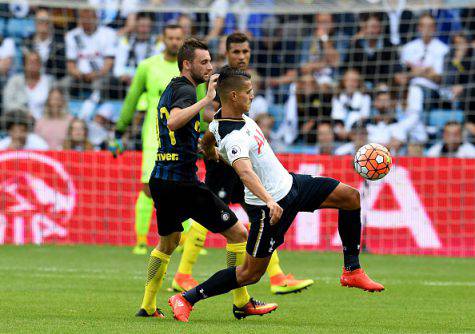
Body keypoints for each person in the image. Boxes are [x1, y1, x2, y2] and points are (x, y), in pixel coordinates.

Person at [168, 66, 384, 322]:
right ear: (234, 96)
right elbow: (246, 173)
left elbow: (208, 137)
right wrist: (269, 201)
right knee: (249, 273)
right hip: (267, 208)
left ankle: (352, 269)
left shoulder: (219, 120)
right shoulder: (233, 137)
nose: (253, 96)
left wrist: (210, 152)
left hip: (292, 185)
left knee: (350, 197)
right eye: (248, 92)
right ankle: (186, 298)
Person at [135, 39, 277, 319]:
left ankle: (148, 306)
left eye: (211, 61)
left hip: (162, 177)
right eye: (204, 62)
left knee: (169, 242)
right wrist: (205, 100)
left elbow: (179, 131)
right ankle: (241, 301)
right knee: (238, 234)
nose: (210, 67)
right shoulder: (187, 90)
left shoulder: (173, 88)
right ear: (187, 64)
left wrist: (205, 148)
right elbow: (174, 121)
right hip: (182, 181)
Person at [172, 32, 314, 295]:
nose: (242, 57)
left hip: (243, 161)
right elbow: (207, 116)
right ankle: (183, 274)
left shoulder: (245, 82)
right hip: (224, 161)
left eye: (245, 52)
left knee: (257, 216)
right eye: (236, 52)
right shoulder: (219, 82)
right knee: (210, 215)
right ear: (227, 54)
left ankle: (277, 276)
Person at [113, 24, 207, 255]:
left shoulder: (190, 70)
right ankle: (140, 241)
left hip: (185, 135)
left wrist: (204, 133)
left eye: (178, 38)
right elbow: (132, 98)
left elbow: (201, 101)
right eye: (170, 37)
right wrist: (120, 129)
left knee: (184, 184)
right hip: (154, 134)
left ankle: (187, 239)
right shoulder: (147, 66)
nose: (174, 42)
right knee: (148, 186)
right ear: (162, 39)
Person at [3, 51, 53, 120]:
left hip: (45, 122)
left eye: (36, 62)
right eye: (30, 62)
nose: (33, 65)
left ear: (40, 64)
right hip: (21, 121)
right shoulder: (15, 81)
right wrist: (25, 112)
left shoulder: (49, 82)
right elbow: (7, 103)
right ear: (24, 65)